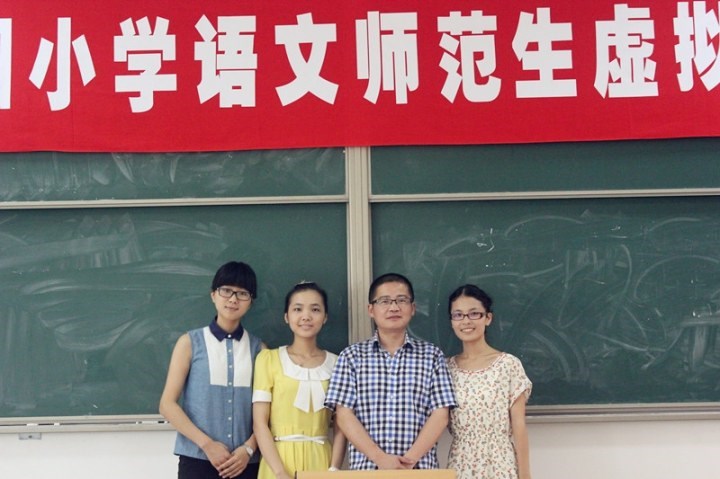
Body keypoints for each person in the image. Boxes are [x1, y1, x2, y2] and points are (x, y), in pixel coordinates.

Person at [324, 273, 457, 470]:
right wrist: (380, 458)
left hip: (419, 470)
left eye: (401, 300)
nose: (394, 307)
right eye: (384, 301)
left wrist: (407, 462)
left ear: (413, 308)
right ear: (371, 309)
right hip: (368, 470)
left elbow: (440, 414)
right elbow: (343, 415)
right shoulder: (351, 357)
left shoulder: (432, 356)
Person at [159, 261, 264, 479]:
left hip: (245, 463)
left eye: (242, 293)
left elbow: (269, 412)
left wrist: (248, 449)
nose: (233, 299)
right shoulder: (190, 343)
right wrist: (207, 445)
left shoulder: (259, 349)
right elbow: (167, 405)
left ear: (251, 302)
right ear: (213, 295)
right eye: (226, 290)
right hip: (197, 460)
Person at [252, 282, 346, 478]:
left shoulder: (338, 363)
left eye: (315, 309)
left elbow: (342, 426)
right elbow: (260, 423)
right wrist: (280, 473)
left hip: (321, 460)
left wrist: (334, 470)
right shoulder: (268, 359)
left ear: (325, 317)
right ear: (287, 316)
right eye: (297, 309)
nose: (306, 316)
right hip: (277, 461)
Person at [445, 284, 532, 479]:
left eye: (474, 314)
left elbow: (519, 426)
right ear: (452, 321)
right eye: (458, 315)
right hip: (461, 463)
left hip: (501, 463)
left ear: (488, 318)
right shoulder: (445, 368)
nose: (466, 321)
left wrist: (525, 475)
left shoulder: (508, 364)